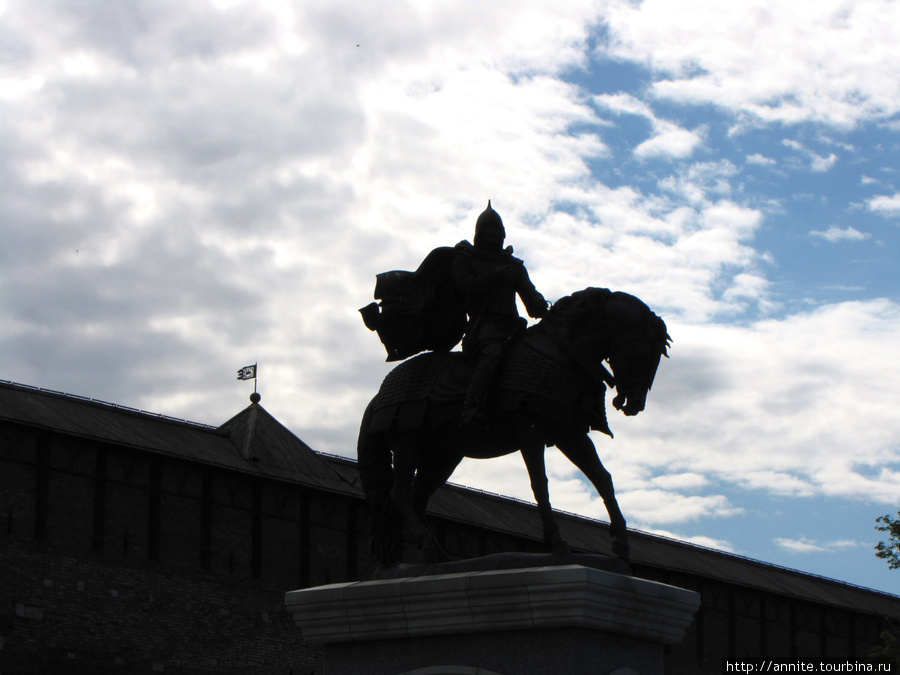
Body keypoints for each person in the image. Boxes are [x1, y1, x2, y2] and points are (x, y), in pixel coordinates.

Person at [453, 201, 548, 427]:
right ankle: (470, 407)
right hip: (482, 327)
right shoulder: (466, 258)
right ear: (479, 233)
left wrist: (540, 305)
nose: (493, 235)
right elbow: (463, 287)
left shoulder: (513, 265)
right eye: (488, 230)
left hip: (513, 327)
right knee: (493, 354)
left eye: (497, 230)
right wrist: (494, 276)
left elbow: (529, 293)